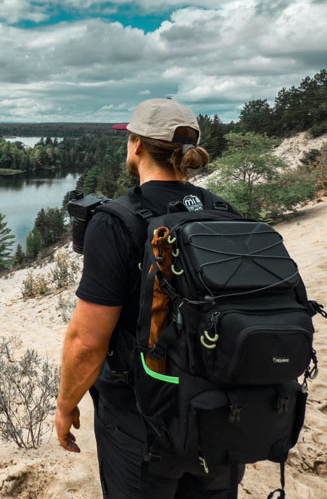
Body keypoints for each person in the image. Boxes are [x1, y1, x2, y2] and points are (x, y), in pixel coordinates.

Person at [54, 98, 244, 498]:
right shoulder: (223, 212)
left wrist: (65, 405)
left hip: (141, 423)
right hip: (219, 416)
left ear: (136, 145)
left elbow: (87, 342)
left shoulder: (116, 221)